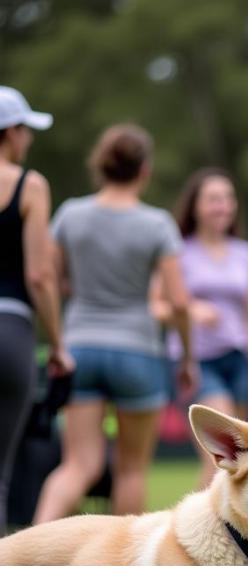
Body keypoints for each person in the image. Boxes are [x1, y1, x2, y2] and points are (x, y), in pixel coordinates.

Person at [34, 124, 196, 523]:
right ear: (145, 171)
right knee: (131, 468)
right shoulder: (156, 224)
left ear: (101, 165)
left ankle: (23, 550)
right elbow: (178, 301)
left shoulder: (71, 214)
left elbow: (48, 277)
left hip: (80, 346)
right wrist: (188, 357)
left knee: (78, 465)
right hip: (137, 351)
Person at [167, 168, 248, 487]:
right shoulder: (178, 252)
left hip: (238, 358)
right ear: (195, 206)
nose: (223, 206)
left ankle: (231, 532)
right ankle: (192, 530)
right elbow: (155, 305)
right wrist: (191, 309)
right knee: (220, 456)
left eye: (229, 199)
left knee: (241, 457)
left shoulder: (246, 254)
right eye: (214, 199)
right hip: (196, 361)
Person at [0, 86, 73, 535]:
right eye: (25, 129)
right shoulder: (29, 185)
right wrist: (59, 345)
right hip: (10, 330)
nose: (28, 139)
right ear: (10, 132)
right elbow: (40, 277)